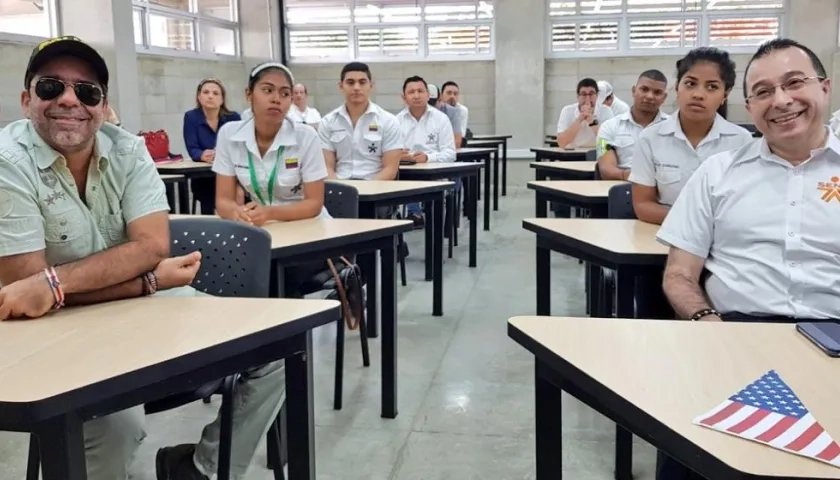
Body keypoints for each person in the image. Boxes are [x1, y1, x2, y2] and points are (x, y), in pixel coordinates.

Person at [0, 35, 209, 479]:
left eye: (87, 91)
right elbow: (25, 292)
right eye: (51, 87)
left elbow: (152, 246)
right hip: (48, 333)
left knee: (271, 355)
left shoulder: (129, 150)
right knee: (118, 423)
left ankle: (196, 467)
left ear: (103, 105)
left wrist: (55, 284)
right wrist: (147, 281)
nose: (70, 100)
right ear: (26, 100)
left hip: (132, 314)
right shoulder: (6, 162)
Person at [655, 38, 837, 480]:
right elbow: (679, 274)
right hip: (732, 332)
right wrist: (705, 323)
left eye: (795, 83)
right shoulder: (718, 174)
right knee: (694, 458)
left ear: (825, 88)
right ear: (748, 105)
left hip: (834, 335)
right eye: (763, 92)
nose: (781, 101)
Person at [213, 62, 334, 298]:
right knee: (222, 269)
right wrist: (237, 214)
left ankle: (285, 332)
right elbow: (223, 200)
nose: (276, 99)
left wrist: (269, 213)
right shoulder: (229, 134)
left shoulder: (305, 137)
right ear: (249, 95)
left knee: (276, 276)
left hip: (308, 230)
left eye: (284, 93)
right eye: (267, 90)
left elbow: (314, 204)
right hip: (260, 230)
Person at [629, 47, 753, 225]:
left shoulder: (742, 141)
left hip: (723, 238)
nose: (698, 94)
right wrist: (696, 222)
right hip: (665, 233)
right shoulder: (650, 138)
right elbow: (643, 205)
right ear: (677, 87)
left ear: (725, 94)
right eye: (690, 83)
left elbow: (744, 205)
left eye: (712, 87)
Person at [319, 62, 402, 183]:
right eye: (350, 82)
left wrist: (367, 191)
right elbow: (327, 167)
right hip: (340, 188)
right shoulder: (327, 122)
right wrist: (341, 192)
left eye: (362, 82)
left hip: (376, 191)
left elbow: (390, 169)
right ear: (341, 86)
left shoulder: (388, 121)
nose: (356, 87)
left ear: (371, 85)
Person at [396, 76, 458, 226]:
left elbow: (450, 153)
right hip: (405, 175)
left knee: (433, 194)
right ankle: (402, 229)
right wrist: (398, 155)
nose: (416, 96)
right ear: (404, 97)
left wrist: (428, 158)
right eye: (411, 92)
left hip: (434, 175)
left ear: (428, 95)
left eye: (420, 91)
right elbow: (387, 154)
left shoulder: (441, 119)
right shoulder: (396, 121)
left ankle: (429, 225)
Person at [596, 70, 669, 181]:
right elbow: (605, 169)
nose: (649, 96)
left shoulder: (675, 127)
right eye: (644, 89)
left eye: (657, 92)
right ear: (634, 91)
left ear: (664, 98)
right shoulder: (607, 127)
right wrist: (635, 177)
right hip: (623, 188)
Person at [183, 78, 241, 214]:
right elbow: (192, 148)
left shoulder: (234, 118)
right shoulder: (191, 117)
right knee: (208, 187)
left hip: (232, 172)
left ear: (222, 99)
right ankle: (209, 226)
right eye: (206, 92)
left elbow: (241, 147)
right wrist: (201, 155)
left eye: (215, 93)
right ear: (199, 97)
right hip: (205, 174)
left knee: (240, 189)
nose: (210, 96)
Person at [556, 78, 615, 148]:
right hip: (572, 153)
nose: (588, 98)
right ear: (578, 96)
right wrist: (579, 119)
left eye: (591, 94)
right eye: (584, 94)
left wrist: (592, 122)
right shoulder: (567, 111)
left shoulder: (606, 111)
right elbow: (561, 143)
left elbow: (610, 142)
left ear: (597, 95)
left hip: (597, 153)